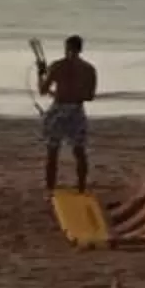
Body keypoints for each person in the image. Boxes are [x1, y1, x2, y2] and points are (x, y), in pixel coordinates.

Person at [38, 35, 98, 193]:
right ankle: (81, 188)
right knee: (79, 151)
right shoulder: (89, 69)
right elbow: (90, 96)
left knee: (52, 151)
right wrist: (73, 94)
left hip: (58, 109)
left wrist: (41, 74)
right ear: (80, 49)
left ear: (66, 48)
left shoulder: (57, 66)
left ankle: (50, 188)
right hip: (76, 110)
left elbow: (42, 90)